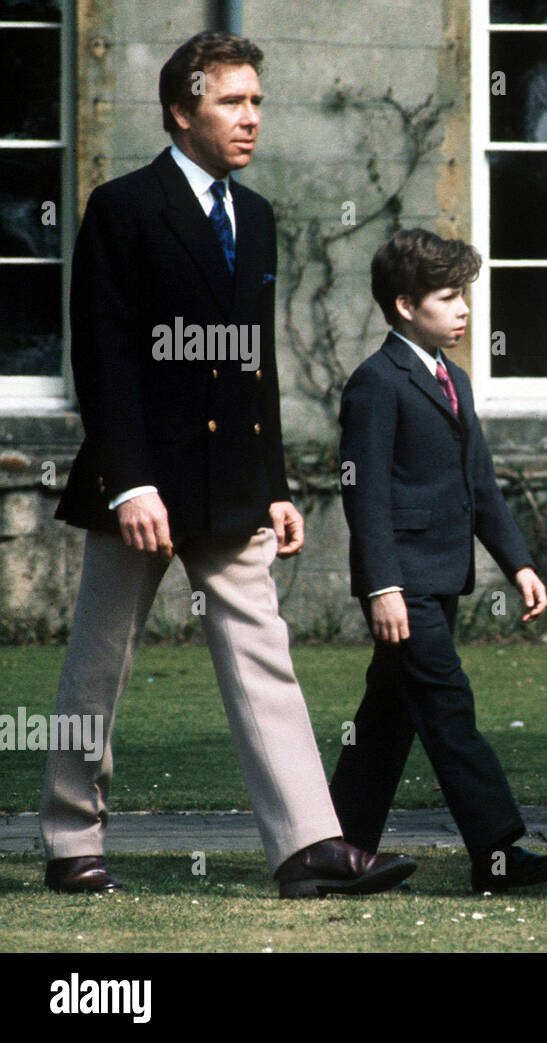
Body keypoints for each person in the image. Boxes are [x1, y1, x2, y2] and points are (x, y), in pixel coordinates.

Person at [41, 32, 415, 899]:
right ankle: (68, 838)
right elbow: (102, 358)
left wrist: (276, 485)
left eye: (257, 102)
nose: (251, 119)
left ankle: (308, 846)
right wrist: (131, 481)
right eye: (232, 102)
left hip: (234, 482)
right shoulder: (122, 207)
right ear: (182, 110)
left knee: (264, 658)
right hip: (138, 484)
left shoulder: (258, 216)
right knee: (99, 664)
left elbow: (256, 364)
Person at [328, 228, 547, 896]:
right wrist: (382, 587)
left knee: (387, 717)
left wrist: (518, 563)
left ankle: (337, 851)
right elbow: (365, 494)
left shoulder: (452, 377)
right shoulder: (376, 383)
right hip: (404, 586)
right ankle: (498, 855)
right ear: (406, 304)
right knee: (448, 705)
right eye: (447, 295)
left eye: (464, 293)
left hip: (441, 580)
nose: (463, 308)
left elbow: (481, 486)